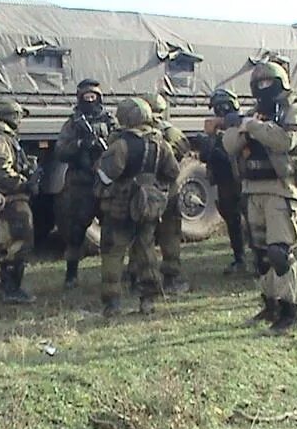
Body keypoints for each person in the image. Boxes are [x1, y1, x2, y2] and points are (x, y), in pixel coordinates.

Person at [223, 61, 297, 334]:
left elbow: (285, 142)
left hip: (282, 189)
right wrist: (244, 126)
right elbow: (229, 145)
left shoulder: (294, 109)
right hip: (253, 189)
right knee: (261, 254)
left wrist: (253, 128)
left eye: (268, 83)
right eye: (258, 84)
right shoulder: (254, 114)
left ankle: (292, 311)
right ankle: (270, 304)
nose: (263, 88)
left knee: (279, 252)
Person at [95, 97, 179, 317]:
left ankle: (112, 303)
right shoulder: (160, 143)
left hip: (120, 206)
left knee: (113, 252)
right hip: (149, 206)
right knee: (146, 251)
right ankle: (147, 300)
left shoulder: (120, 145)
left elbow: (105, 175)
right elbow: (172, 172)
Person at [54, 79, 116, 288]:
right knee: (75, 233)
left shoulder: (110, 121)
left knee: (111, 232)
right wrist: (80, 144)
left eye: (93, 97)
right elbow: (60, 151)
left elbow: (120, 145)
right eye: (86, 97)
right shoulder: (72, 124)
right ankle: (71, 276)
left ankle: (112, 274)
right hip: (81, 185)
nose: (90, 101)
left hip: (105, 183)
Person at [0, 99, 39, 303]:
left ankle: (10, 287)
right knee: (19, 242)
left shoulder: (6, 137)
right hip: (12, 197)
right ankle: (12, 289)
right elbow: (1, 170)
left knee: (13, 243)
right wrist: (24, 182)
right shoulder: (0, 140)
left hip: (12, 197)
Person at [140, 92, 192, 294]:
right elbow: (184, 149)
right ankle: (171, 276)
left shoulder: (136, 133)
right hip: (168, 189)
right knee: (170, 233)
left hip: (146, 191)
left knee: (144, 234)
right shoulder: (171, 132)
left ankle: (142, 275)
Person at [195, 89, 248, 275]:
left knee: (252, 222)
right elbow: (206, 156)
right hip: (225, 183)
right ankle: (240, 259)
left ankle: (258, 261)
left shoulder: (241, 126)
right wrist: (210, 138)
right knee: (233, 222)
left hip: (241, 182)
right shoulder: (217, 132)